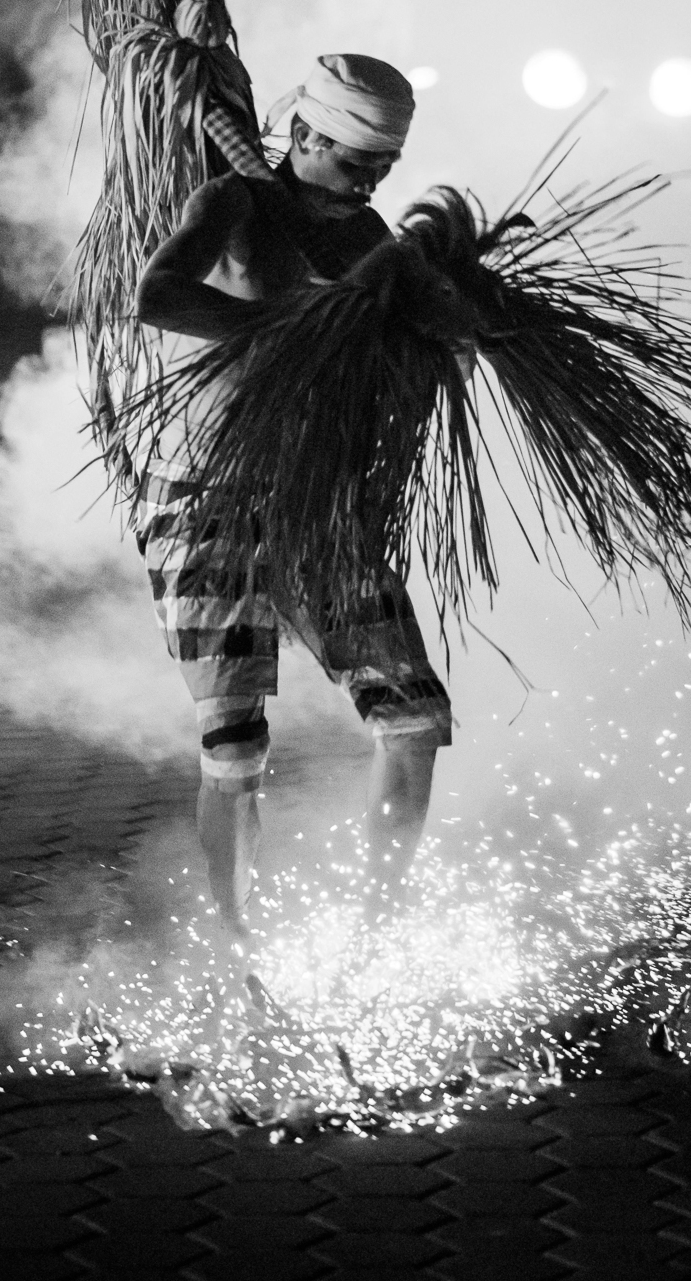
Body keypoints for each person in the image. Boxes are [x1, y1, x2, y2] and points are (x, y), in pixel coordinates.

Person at [133, 53, 452, 941]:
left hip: (317, 493)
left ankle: (374, 936)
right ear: (303, 136)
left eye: (382, 169)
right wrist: (285, 330)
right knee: (236, 747)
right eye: (356, 164)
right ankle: (238, 953)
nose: (370, 184)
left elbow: (414, 329)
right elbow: (155, 293)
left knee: (414, 717)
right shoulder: (235, 204)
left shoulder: (367, 238)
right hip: (205, 491)